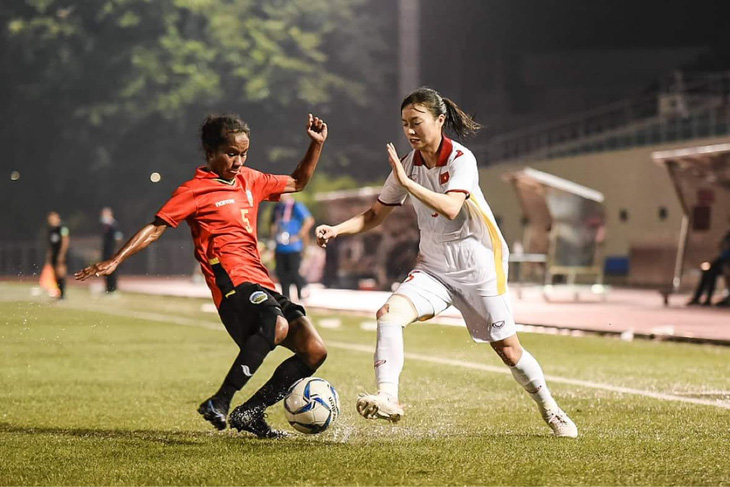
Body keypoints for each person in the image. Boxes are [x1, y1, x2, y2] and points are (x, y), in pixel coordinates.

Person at [315, 87, 578, 438]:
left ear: (440, 120)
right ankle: (388, 396)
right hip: (433, 267)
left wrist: (407, 183)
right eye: (405, 123)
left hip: (478, 266)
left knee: (509, 350)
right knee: (388, 315)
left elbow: (451, 207)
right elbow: (376, 213)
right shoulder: (407, 165)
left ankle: (551, 410)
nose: (409, 131)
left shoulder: (460, 159)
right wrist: (337, 229)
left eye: (417, 122)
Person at [76, 113, 328, 438]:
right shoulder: (195, 190)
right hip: (232, 286)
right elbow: (156, 228)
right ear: (210, 152)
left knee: (314, 350)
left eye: (244, 154)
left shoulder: (251, 180)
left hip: (262, 282)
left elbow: (298, 182)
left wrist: (315, 145)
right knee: (277, 324)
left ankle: (250, 413)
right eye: (231, 153)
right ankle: (220, 401)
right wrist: (115, 260)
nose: (239, 161)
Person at [270, 194, 314, 300]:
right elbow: (273, 224)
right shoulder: (277, 207)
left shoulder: (296, 206)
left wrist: (299, 235)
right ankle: (286, 297)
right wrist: (272, 240)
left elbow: (309, 220)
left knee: (293, 271)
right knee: (281, 273)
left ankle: (301, 293)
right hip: (280, 246)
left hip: (294, 246)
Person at [687, 229, 730, 306]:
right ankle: (700, 297)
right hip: (724, 260)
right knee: (708, 271)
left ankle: (707, 298)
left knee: (712, 271)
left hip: (727, 261)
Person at [45, 211, 69, 299]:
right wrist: (49, 255)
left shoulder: (63, 228)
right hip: (54, 254)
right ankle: (58, 292)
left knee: (61, 273)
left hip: (60, 254)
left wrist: (61, 254)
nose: (50, 221)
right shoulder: (51, 230)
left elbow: (65, 241)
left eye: (52, 219)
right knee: (55, 273)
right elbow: (50, 245)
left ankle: (63, 294)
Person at [100, 207, 123, 294]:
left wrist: (116, 251)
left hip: (111, 251)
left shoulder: (114, 225)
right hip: (106, 251)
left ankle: (113, 289)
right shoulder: (106, 226)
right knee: (105, 270)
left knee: (112, 270)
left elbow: (118, 239)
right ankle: (108, 288)